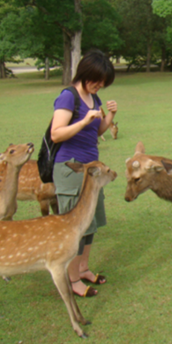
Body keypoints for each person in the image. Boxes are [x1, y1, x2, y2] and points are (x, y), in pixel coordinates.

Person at [49, 50, 118, 298]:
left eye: (103, 83)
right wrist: (83, 120)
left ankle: (84, 268)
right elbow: (57, 133)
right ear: (85, 73)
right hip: (71, 167)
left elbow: (96, 131)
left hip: (92, 169)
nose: (99, 86)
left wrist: (109, 115)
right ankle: (72, 279)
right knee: (75, 227)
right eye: (97, 80)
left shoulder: (93, 97)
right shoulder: (68, 98)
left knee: (90, 222)